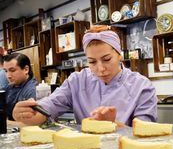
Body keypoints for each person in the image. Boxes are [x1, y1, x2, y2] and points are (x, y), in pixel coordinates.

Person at [13, 25, 157, 126]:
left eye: (107, 59)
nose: (100, 69)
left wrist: (113, 125)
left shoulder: (142, 86)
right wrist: (26, 115)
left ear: (119, 55)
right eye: (92, 62)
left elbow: (144, 134)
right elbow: (49, 107)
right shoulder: (77, 81)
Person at [3, 53, 37, 120]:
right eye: (6, 71)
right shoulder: (9, 87)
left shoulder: (32, 90)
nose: (8, 76)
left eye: (12, 70)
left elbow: (30, 122)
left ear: (26, 69)